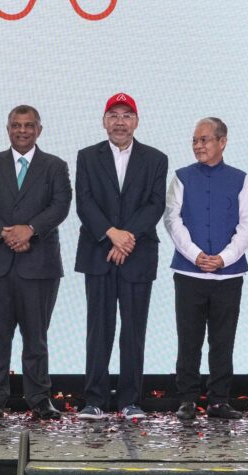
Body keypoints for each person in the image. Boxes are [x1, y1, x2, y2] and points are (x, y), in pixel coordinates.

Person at [0, 105, 72, 420]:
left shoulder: (55, 166)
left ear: (39, 130)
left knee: (36, 336)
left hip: (39, 265)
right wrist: (5, 232)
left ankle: (39, 398)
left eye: (29, 125)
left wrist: (30, 229)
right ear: (8, 128)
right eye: (16, 125)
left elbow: (61, 204)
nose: (22, 130)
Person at [74, 93, 168, 420]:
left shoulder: (156, 159)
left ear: (136, 121)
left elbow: (155, 204)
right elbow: (84, 203)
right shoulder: (87, 156)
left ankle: (131, 401)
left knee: (133, 331)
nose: (120, 121)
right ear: (104, 121)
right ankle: (94, 400)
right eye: (113, 115)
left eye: (127, 115)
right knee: (98, 329)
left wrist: (127, 237)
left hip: (137, 255)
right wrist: (111, 234)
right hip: (98, 252)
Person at [164, 117, 248, 421]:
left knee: (222, 340)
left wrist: (224, 258)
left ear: (222, 142)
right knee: (188, 338)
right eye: (195, 140)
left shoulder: (240, 179)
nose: (198, 146)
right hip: (189, 274)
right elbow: (172, 220)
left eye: (204, 140)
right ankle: (187, 399)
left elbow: (247, 225)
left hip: (228, 275)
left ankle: (218, 400)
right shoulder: (181, 177)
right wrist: (195, 254)